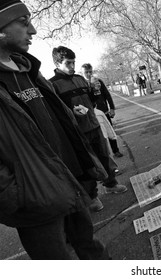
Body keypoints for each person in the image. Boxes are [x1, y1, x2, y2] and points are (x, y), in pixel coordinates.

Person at [0, 0, 109, 259]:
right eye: (24, 22)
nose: (34, 30)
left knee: (90, 246)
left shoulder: (29, 68)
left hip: (68, 180)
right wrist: (16, 198)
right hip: (35, 199)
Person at [50, 46, 127, 212]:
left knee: (104, 156)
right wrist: (72, 112)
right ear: (57, 63)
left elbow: (91, 101)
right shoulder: (53, 85)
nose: (72, 66)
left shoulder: (79, 79)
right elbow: (55, 112)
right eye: (68, 63)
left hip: (94, 125)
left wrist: (95, 92)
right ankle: (91, 196)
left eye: (73, 62)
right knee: (87, 165)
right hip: (77, 133)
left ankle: (110, 184)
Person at [81, 63, 124, 158]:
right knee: (101, 137)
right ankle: (107, 156)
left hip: (105, 112)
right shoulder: (82, 85)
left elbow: (107, 95)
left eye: (90, 71)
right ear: (82, 73)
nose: (88, 74)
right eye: (86, 72)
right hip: (93, 115)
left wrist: (112, 108)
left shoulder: (98, 81)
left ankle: (115, 150)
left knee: (110, 132)